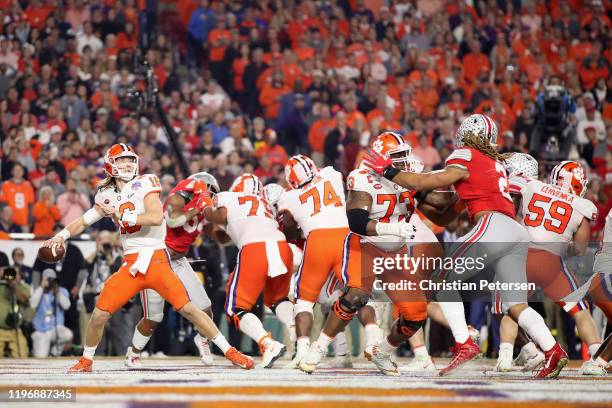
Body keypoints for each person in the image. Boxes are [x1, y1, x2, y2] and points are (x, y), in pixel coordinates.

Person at [362, 114, 568, 379]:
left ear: (469, 134)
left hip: (493, 225)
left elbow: (424, 182)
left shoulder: (466, 155)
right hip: (513, 231)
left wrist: (388, 171)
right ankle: (553, 351)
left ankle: (464, 342)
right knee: (516, 305)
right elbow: (446, 216)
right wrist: (417, 197)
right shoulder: (490, 164)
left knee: (441, 276)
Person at [42, 144, 253, 372]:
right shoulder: (106, 195)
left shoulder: (146, 182)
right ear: (109, 165)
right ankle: (86, 360)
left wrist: (125, 214)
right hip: (131, 265)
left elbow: (155, 217)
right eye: (121, 160)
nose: (128, 164)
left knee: (190, 309)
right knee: (99, 314)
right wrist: (60, 236)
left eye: (130, 160)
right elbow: (83, 221)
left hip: (157, 260)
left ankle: (230, 351)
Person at [300, 132, 457, 375]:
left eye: (405, 153)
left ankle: (381, 351)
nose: (405, 159)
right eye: (398, 156)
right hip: (364, 246)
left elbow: (440, 213)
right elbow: (356, 221)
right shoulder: (362, 177)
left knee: (415, 315)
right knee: (356, 296)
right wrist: (391, 227)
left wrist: (464, 199)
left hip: (396, 253)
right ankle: (319, 348)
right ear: (382, 159)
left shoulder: (407, 179)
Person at [495, 155, 605, 376]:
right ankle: (598, 357)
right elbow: (581, 249)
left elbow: (512, 207)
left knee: (512, 308)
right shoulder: (582, 205)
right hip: (552, 263)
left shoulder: (532, 186)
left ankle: (505, 356)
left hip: (522, 256)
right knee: (579, 311)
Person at [125, 172, 228, 367]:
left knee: (205, 307)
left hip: (179, 261)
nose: (211, 198)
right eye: (210, 193)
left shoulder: (203, 209)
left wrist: (235, 232)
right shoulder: (177, 198)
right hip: (157, 259)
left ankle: (202, 339)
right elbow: (173, 221)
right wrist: (195, 210)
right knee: (153, 318)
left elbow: (217, 235)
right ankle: (134, 352)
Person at [204, 174, 295, 368]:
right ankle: (299, 342)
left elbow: (219, 216)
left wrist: (205, 211)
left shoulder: (227, 197)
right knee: (278, 299)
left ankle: (267, 343)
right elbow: (225, 235)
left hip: (254, 248)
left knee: (235, 309)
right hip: (281, 246)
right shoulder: (265, 202)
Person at [30, 269, 73, 357]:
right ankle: (38, 350)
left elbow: (67, 306)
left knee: (68, 334)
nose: (50, 282)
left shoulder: (62, 291)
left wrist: (57, 292)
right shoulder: (38, 290)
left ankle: (54, 352)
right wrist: (41, 287)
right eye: (47, 279)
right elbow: (32, 304)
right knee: (41, 357)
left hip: (55, 329)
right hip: (41, 330)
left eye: (52, 279)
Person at [0, 266, 30, 358]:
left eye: (14, 273)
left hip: (15, 330)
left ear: (20, 276)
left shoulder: (24, 287)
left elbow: (24, 299)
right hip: (0, 330)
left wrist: (14, 286)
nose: (11, 275)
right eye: (8, 272)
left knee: (22, 356)